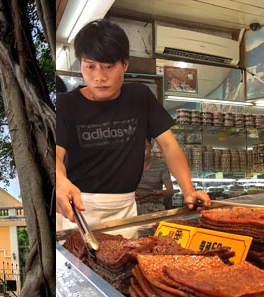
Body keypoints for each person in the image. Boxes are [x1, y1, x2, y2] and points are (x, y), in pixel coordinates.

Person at [55, 19, 209, 231]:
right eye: (90, 67)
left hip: (125, 210)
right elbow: (55, 153)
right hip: (77, 210)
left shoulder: (139, 96)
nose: (99, 77)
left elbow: (169, 145)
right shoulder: (66, 104)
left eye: (108, 67)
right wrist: (60, 181)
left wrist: (189, 190)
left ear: (124, 64)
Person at [135, 138, 174, 215]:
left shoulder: (161, 165)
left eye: (145, 147)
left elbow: (170, 191)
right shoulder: (130, 165)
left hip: (156, 208)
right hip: (134, 207)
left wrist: (162, 193)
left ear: (151, 146)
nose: (142, 152)